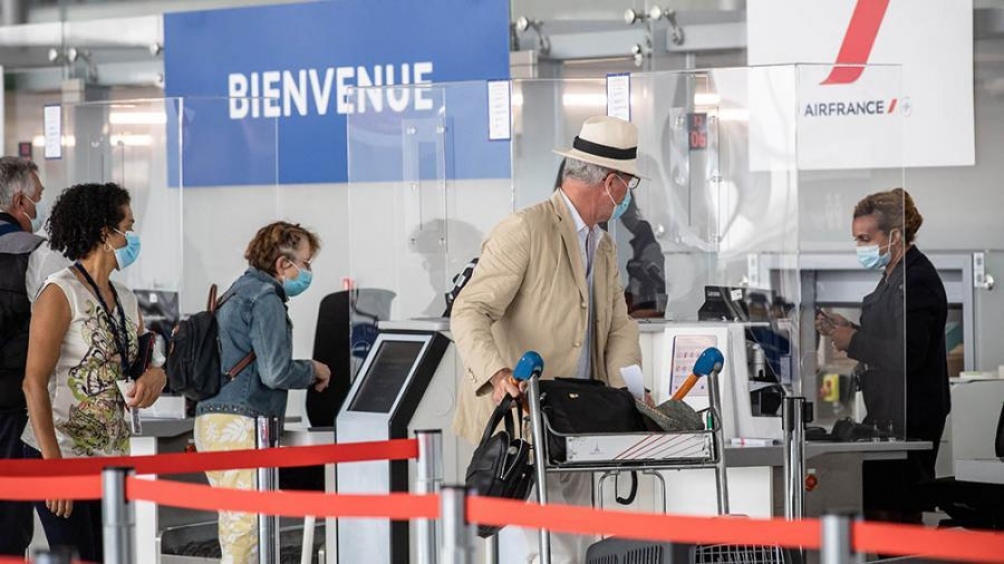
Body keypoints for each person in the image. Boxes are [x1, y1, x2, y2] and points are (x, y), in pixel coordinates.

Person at [451, 116, 642, 563]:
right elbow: (469, 310)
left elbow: (619, 327)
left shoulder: (603, 246)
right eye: (628, 185)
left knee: (577, 549)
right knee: (535, 552)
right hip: (522, 427)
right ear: (611, 183)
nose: (627, 197)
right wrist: (498, 374)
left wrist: (633, 395)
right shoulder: (526, 229)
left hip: (578, 423)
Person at [21, 182, 167, 560]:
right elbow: (33, 383)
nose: (132, 237)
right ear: (105, 233)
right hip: (60, 451)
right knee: (79, 556)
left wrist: (156, 377)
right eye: (128, 227)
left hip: (110, 457)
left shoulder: (126, 298)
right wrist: (54, 468)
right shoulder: (60, 292)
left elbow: (147, 360)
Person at [194, 221, 332, 562]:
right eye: (306, 263)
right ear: (283, 263)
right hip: (242, 425)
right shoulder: (265, 298)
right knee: (248, 532)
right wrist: (313, 369)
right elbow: (275, 372)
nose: (308, 271)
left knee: (235, 527)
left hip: (212, 423)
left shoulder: (235, 292)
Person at [815, 188, 950, 523]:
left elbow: (908, 354)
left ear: (895, 236)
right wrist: (848, 329)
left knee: (895, 513)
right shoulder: (892, 277)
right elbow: (890, 335)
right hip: (888, 414)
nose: (860, 246)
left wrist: (854, 342)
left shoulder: (917, 280)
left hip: (911, 419)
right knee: (878, 505)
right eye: (856, 239)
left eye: (865, 238)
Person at [0, 157, 45, 556]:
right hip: (13, 405)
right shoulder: (33, 254)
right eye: (37, 199)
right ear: (19, 202)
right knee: (10, 524)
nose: (39, 209)